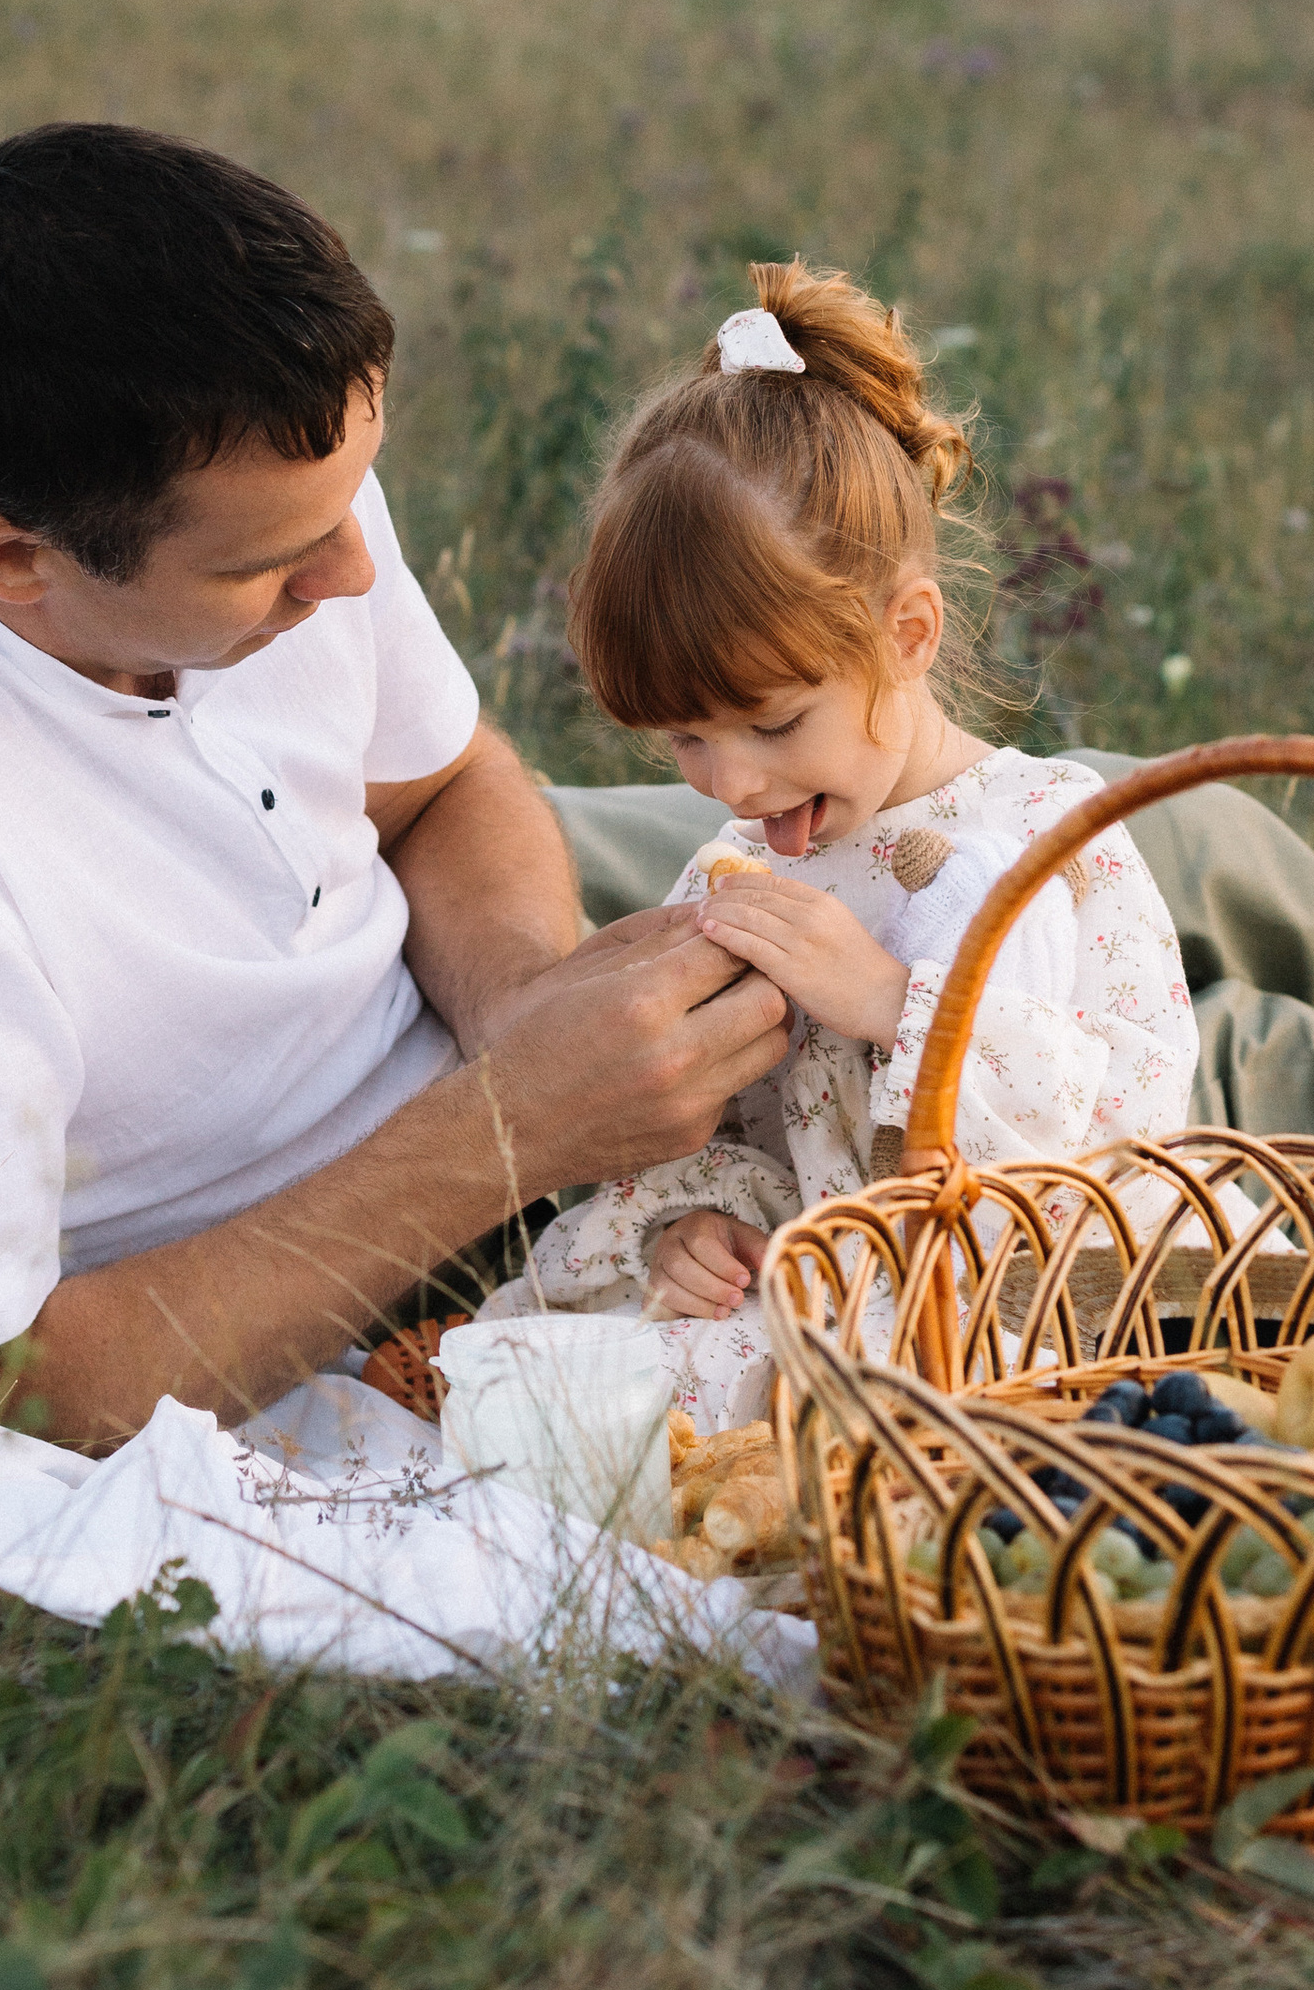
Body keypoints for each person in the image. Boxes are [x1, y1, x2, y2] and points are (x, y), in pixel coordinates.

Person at [0, 126, 789, 1461]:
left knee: (961, 879)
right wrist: (515, 1127)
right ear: (15, 562)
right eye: (277, 563)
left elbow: (439, 785)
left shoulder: (209, 440)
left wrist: (531, 1003)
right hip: (307, 1256)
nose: (353, 574)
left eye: (354, 499)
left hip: (470, 968)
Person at [497, 267, 1197, 1422]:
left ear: (908, 633)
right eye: (684, 738)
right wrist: (685, 1226)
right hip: (792, 1293)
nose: (731, 781)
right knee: (573, 1387)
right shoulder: (738, 870)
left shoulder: (1048, 845)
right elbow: (704, 1131)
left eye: (774, 723)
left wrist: (892, 1001)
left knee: (872, 1411)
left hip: (981, 1312)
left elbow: (1120, 1142)